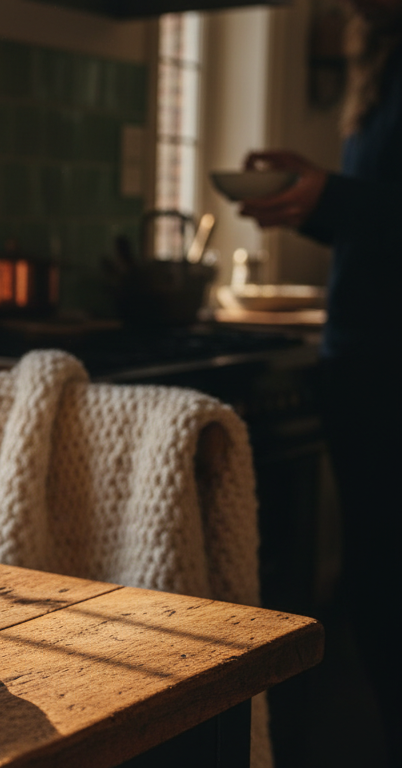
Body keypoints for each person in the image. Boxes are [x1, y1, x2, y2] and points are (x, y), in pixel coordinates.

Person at [238, 1, 401, 765]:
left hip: (386, 369)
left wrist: (330, 197)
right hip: (363, 367)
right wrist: (314, 202)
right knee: (377, 585)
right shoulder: (381, 58)